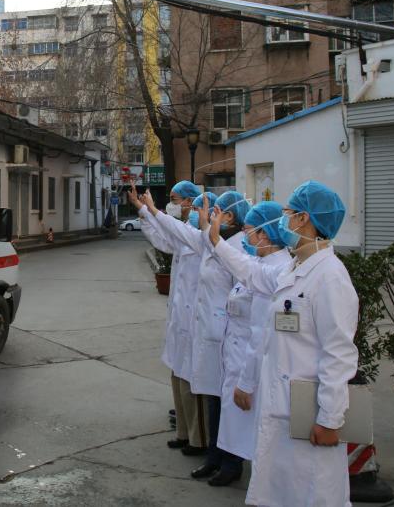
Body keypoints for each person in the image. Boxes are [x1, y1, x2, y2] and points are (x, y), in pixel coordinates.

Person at [206, 181, 358, 507]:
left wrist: (330, 419)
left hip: (308, 410)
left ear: (303, 218)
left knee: (312, 492)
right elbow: (252, 273)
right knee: (279, 489)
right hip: (282, 405)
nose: (283, 220)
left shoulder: (330, 276)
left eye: (288, 213)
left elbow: (339, 354)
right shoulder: (294, 267)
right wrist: (217, 243)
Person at [145, 189, 250, 486]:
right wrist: (149, 210)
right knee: (214, 400)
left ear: (230, 216)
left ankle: (231, 463)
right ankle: (214, 457)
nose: (207, 215)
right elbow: (177, 231)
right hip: (209, 334)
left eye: (215, 211)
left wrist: (152, 210)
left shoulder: (239, 248)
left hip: (229, 337)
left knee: (228, 405)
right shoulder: (212, 240)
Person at [213, 200, 292, 479]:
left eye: (248, 230)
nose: (244, 236)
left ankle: (242, 472)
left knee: (257, 436)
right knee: (242, 430)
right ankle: (232, 466)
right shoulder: (262, 261)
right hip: (239, 358)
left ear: (264, 234)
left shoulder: (279, 268)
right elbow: (246, 269)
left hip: (252, 367)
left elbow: (261, 333)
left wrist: (246, 382)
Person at [129, 181, 208, 454]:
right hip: (180, 322)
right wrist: (143, 211)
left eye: (176, 199)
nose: (174, 204)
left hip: (196, 323)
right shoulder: (185, 235)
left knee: (192, 383)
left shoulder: (200, 238)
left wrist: (151, 209)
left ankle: (198, 440)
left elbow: (171, 227)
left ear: (190, 201)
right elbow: (161, 238)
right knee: (179, 378)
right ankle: (185, 433)